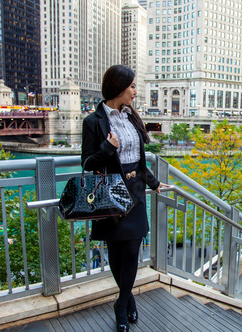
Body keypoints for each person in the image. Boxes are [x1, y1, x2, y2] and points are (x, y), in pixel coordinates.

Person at [81, 65, 169, 332]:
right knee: (117, 254)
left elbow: (140, 161)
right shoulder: (92, 121)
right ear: (118, 87)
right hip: (112, 194)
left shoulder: (132, 117)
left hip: (136, 193)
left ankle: (120, 303)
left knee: (132, 250)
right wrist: (108, 148)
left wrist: (153, 183)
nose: (134, 91)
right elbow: (86, 163)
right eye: (131, 86)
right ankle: (128, 297)